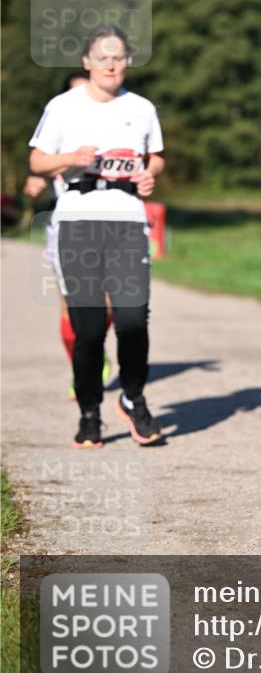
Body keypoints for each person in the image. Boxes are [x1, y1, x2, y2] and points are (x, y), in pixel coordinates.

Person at [29, 27, 165, 448]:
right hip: (77, 221)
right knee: (88, 331)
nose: (111, 64)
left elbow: (155, 158)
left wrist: (148, 174)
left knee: (131, 320)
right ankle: (90, 412)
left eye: (119, 57)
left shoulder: (141, 108)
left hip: (127, 220)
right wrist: (72, 158)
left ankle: (133, 396)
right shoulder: (63, 107)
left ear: (127, 62)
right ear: (87, 62)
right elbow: (36, 160)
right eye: (102, 57)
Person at [24, 70, 113, 399]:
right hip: (64, 222)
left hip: (108, 221)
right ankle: (82, 368)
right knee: (70, 303)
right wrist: (33, 182)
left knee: (106, 303)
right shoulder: (54, 131)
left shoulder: (114, 129)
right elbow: (35, 169)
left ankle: (93, 349)